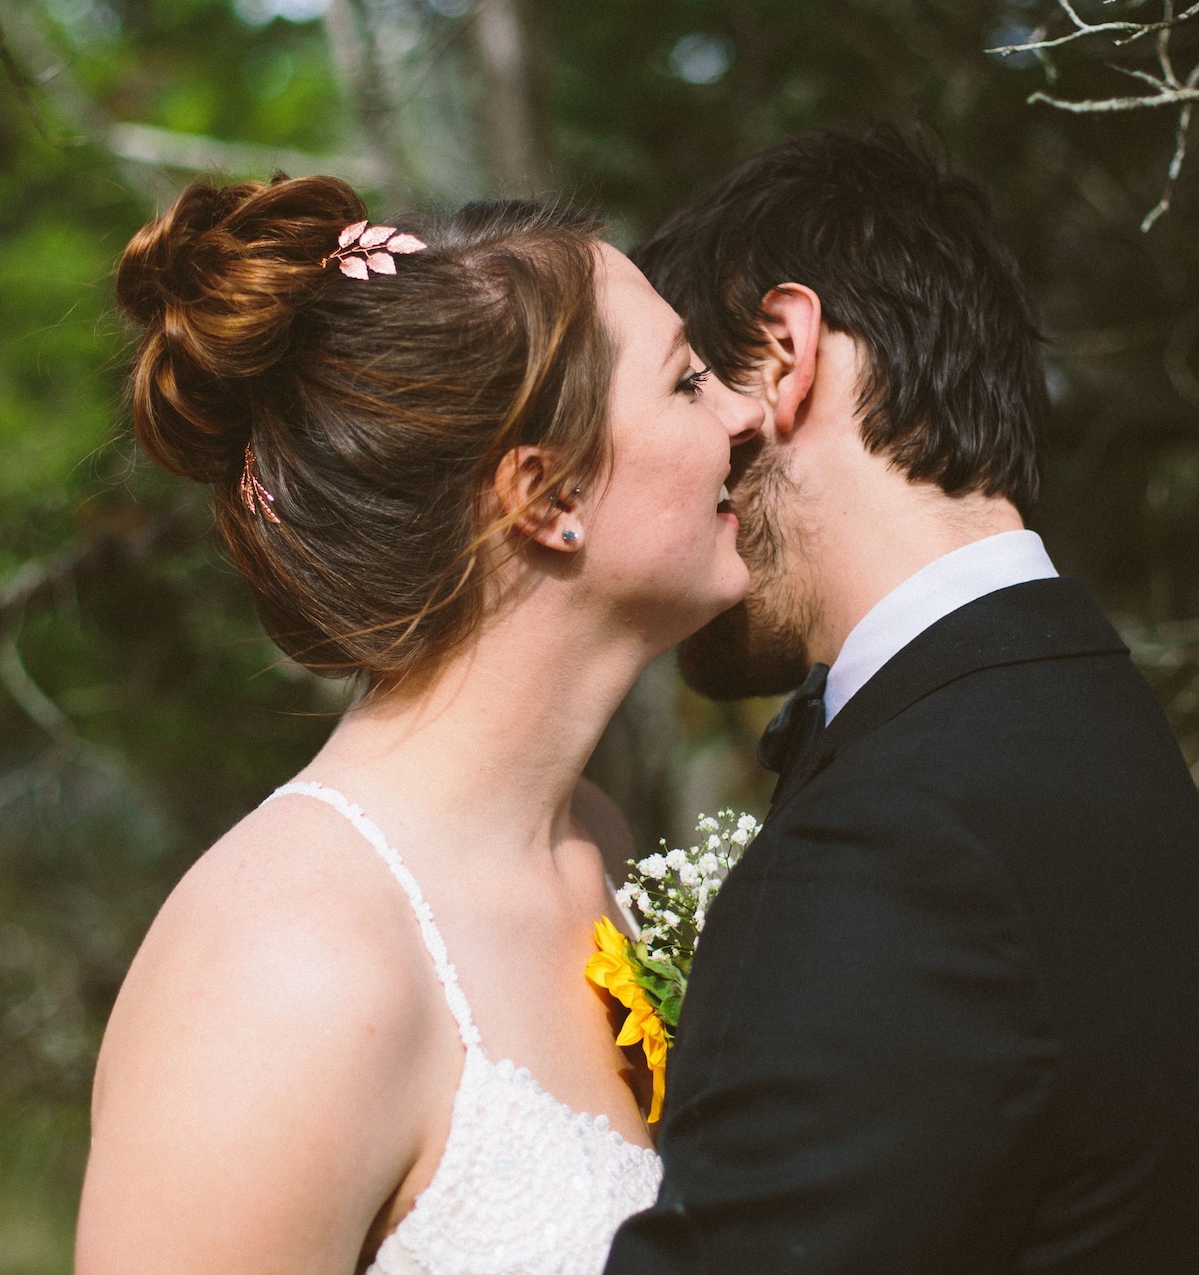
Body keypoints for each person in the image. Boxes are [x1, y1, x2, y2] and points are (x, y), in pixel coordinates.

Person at [603, 126, 1199, 1274]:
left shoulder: (897, 843)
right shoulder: (1081, 711)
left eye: (684, 389)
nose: (671, 468)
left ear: (781, 350)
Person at [76, 174, 761, 1275]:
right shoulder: (284, 965)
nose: (744, 410)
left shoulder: (594, 841)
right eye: (687, 382)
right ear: (546, 497)